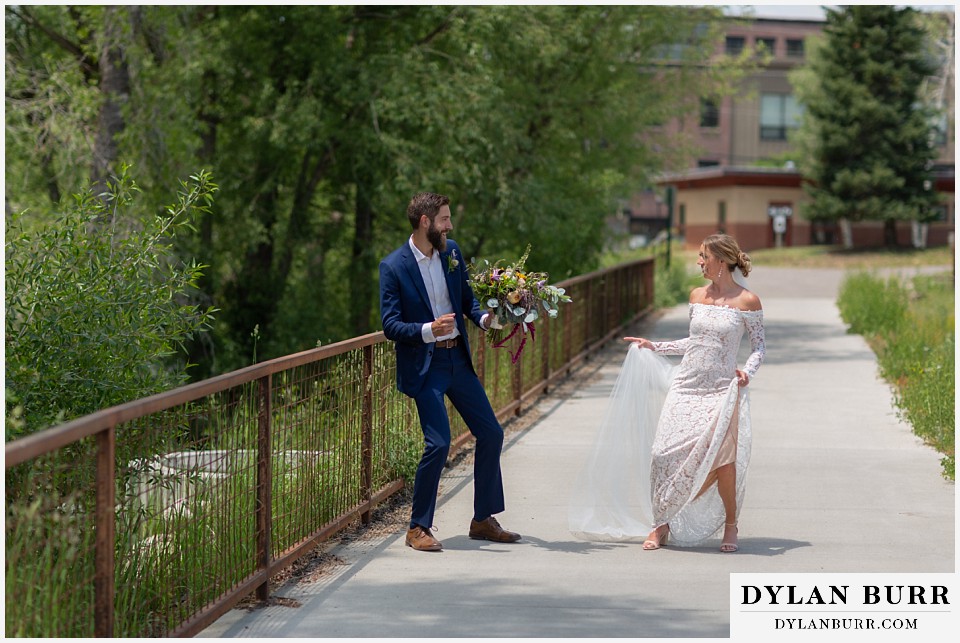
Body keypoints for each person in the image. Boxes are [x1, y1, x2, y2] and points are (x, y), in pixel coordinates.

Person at [569, 233, 765, 553]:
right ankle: (661, 523)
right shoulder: (696, 296)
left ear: (722, 259)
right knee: (662, 454)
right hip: (686, 385)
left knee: (722, 461)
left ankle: (731, 524)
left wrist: (748, 371)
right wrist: (654, 346)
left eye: (704, 256)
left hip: (721, 390)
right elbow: (694, 343)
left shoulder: (747, 301)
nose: (699, 262)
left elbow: (759, 347)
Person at [379, 192, 521, 552]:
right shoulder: (393, 266)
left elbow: (467, 301)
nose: (450, 225)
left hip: (458, 358)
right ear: (425, 222)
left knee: (491, 433)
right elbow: (390, 325)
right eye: (444, 219)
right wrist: (428, 329)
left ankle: (482, 519)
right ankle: (417, 528)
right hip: (425, 367)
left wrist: (487, 319)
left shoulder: (452, 252)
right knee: (438, 443)